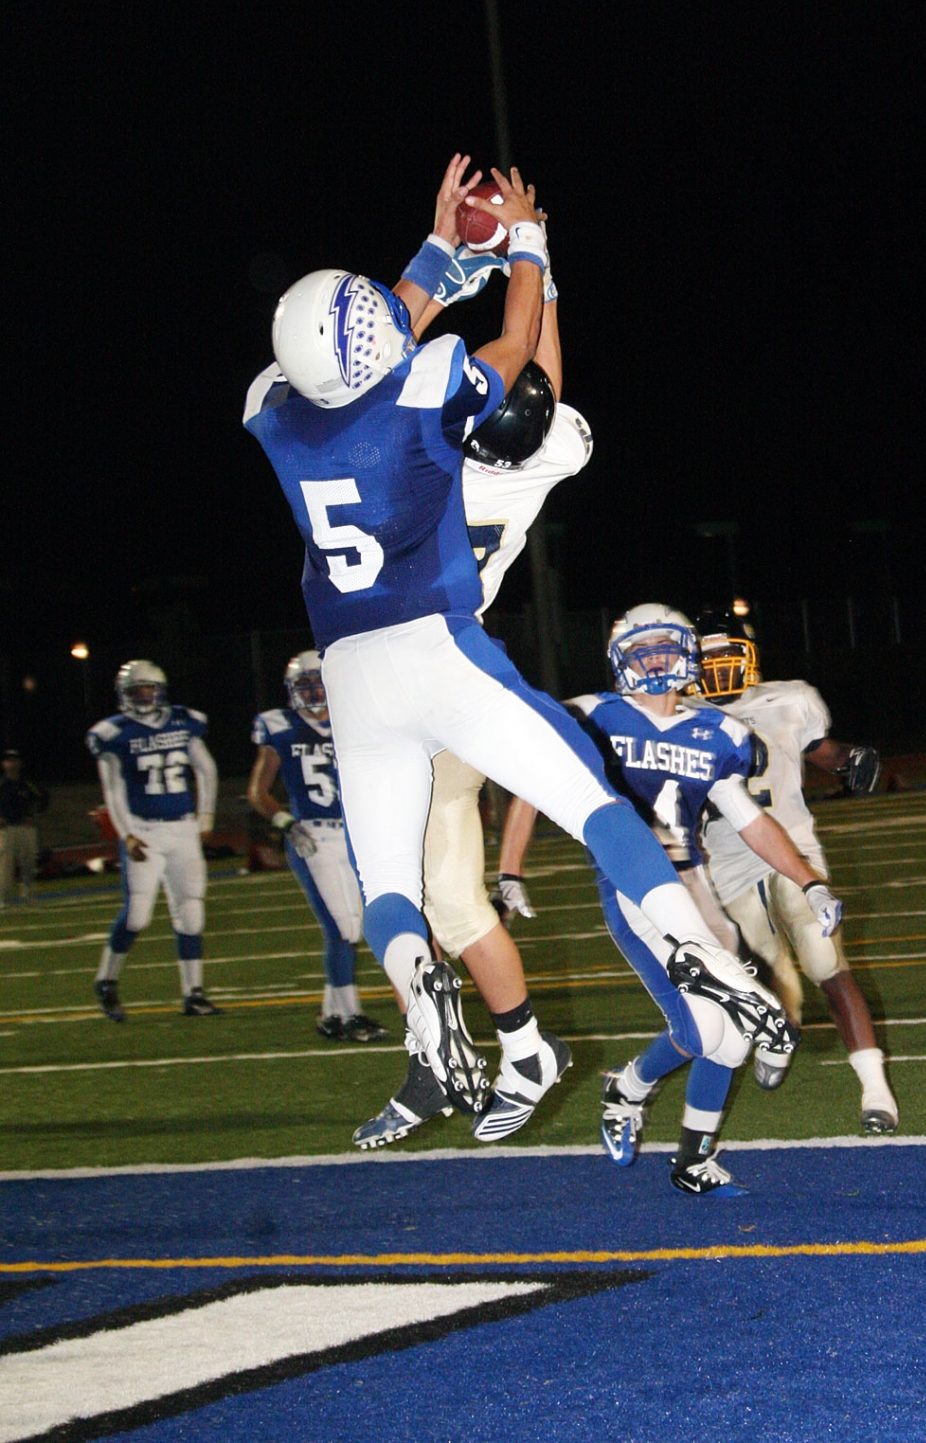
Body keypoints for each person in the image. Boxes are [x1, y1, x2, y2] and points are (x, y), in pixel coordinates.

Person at [243, 154, 796, 1142]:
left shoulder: (275, 413)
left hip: (359, 674)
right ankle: (675, 955)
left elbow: (367, 352)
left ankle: (445, 1021)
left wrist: (442, 252)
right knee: (586, 803)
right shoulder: (477, 425)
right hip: (453, 666)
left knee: (407, 900)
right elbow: (527, 369)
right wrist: (529, 250)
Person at [353, 244, 592, 1147]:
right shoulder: (530, 463)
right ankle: (444, 1059)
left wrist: (445, 261)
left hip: (417, 689)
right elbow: (538, 384)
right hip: (445, 677)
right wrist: (542, 278)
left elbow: (363, 374)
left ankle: (516, 1049)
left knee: (432, 901)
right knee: (408, 899)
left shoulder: (415, 460)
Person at [498, 605, 842, 1194]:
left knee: (727, 1033)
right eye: (642, 648)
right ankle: (631, 1092)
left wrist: (809, 879)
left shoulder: (719, 733)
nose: (655, 659)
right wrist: (509, 868)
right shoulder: (593, 717)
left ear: (688, 655)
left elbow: (751, 821)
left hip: (696, 885)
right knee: (713, 1026)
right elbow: (532, 787)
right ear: (619, 660)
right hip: (634, 888)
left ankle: (682, 1147)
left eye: (665, 647)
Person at [691, 609, 898, 1134]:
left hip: (794, 852)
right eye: (707, 657)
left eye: (725, 655)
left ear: (749, 657)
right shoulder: (679, 714)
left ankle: (875, 1089)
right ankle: (777, 1035)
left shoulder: (789, 698)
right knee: (769, 983)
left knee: (825, 957)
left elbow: (823, 754)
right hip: (726, 866)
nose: (716, 668)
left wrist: (854, 759)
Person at [247, 650, 388, 1043]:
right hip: (311, 835)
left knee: (353, 927)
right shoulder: (279, 726)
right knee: (340, 929)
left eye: (317, 683)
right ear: (292, 690)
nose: (311, 692)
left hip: (354, 833)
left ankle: (332, 1015)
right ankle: (351, 1013)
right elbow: (258, 792)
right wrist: (286, 823)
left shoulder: (353, 718)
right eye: (303, 684)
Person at [86, 660, 221, 1020]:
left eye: (149, 689)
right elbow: (112, 790)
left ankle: (193, 992)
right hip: (144, 830)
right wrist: (126, 833)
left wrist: (206, 816)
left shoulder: (183, 721)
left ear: (160, 690)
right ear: (124, 696)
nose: (144, 696)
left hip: (183, 828)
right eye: (136, 691)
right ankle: (107, 980)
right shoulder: (113, 733)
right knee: (138, 915)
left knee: (191, 911)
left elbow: (206, 769)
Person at [0, 750, 48, 907]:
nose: (12, 763)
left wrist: (33, 814)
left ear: (20, 763)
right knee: (6, 866)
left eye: (15, 760)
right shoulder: (2, 784)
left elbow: (43, 798)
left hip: (25, 828)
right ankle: (4, 899)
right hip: (6, 830)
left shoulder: (27, 784)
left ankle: (28, 895)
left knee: (28, 864)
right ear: (3, 764)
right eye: (8, 760)